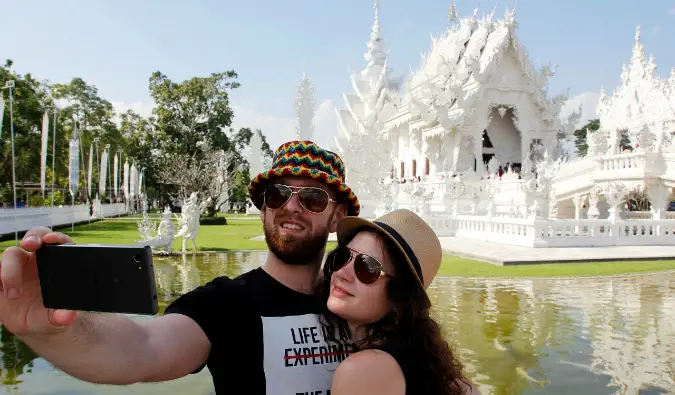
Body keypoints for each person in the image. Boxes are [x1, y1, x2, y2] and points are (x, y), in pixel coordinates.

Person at [0, 140, 360, 394]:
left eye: (312, 198)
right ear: (265, 208)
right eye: (278, 194)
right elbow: (142, 347)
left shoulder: (359, 301)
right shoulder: (226, 304)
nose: (291, 207)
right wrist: (53, 331)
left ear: (336, 217)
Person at [316, 209, 476, 395]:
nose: (342, 273)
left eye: (367, 268)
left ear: (399, 298)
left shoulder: (363, 372)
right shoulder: (430, 367)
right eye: (343, 257)